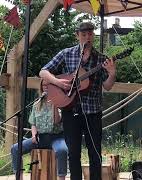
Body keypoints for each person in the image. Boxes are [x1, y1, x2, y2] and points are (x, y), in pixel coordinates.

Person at [39, 22, 116, 180]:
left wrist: (112, 73)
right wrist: (58, 83)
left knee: (95, 153)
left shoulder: (100, 59)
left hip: (93, 112)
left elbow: (107, 86)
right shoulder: (66, 54)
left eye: (90, 34)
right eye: (84, 34)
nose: (87, 37)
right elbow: (43, 71)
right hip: (71, 111)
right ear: (77, 35)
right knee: (73, 154)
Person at [11, 80, 68, 180]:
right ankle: (19, 177)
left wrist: (54, 104)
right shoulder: (37, 103)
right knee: (15, 148)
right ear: (41, 88)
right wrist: (33, 135)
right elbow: (33, 123)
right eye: (43, 85)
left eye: (48, 85)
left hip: (56, 137)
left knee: (62, 150)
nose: (45, 87)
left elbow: (57, 121)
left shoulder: (60, 101)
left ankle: (61, 178)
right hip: (40, 138)